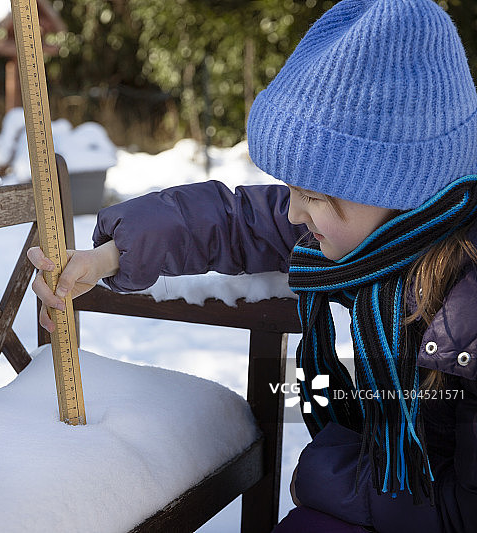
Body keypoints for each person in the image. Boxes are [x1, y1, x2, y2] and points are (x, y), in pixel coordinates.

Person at [28, 0, 477, 531]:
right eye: (292, 189)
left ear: (399, 189)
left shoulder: (466, 309)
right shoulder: (386, 231)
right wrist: (110, 255)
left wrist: (327, 473)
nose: (292, 212)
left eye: (311, 195)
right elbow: (236, 221)